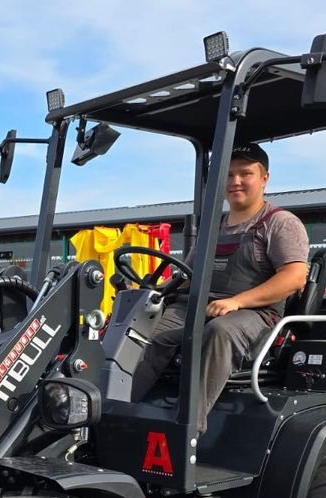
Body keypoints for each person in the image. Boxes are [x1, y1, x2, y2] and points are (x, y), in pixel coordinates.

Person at [129, 142, 311, 431]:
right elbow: (187, 276)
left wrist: (237, 302)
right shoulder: (213, 227)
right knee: (140, 329)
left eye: (245, 173)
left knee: (219, 331)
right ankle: (114, 410)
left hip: (255, 313)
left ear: (264, 178)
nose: (235, 181)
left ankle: (187, 427)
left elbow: (293, 277)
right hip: (198, 305)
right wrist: (151, 292)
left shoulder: (280, 223)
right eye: (227, 175)